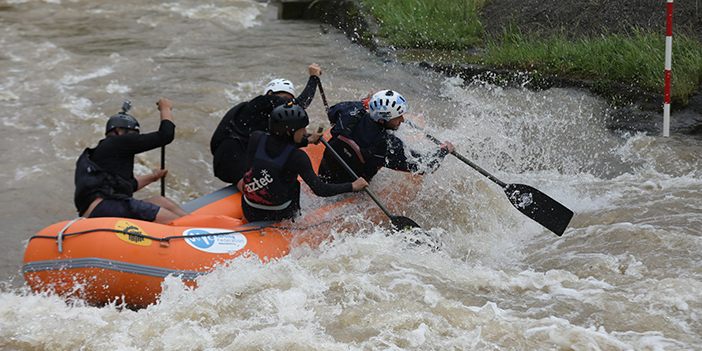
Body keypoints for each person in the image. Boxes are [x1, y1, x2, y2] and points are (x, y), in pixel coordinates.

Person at [238, 103, 368, 222]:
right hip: (278, 214)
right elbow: (320, 189)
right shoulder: (298, 157)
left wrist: (308, 140)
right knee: (294, 184)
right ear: (289, 132)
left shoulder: (256, 137)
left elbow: (276, 147)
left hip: (249, 209)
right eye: (302, 129)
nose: (306, 132)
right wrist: (353, 186)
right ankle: (295, 220)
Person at [74, 99, 189, 224]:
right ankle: (196, 231)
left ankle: (195, 221)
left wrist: (154, 176)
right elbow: (165, 135)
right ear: (118, 130)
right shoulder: (117, 142)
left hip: (96, 210)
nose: (134, 138)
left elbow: (130, 185)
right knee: (175, 223)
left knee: (160, 201)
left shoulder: (101, 154)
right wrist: (165, 109)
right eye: (133, 134)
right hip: (107, 207)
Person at [210, 63, 324, 185]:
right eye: (284, 98)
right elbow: (301, 103)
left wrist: (309, 139)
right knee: (254, 193)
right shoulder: (262, 101)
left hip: (243, 154)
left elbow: (276, 145)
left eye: (288, 99)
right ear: (270, 94)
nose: (285, 105)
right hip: (229, 156)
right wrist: (314, 77)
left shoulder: (271, 120)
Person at [318, 89, 456, 184]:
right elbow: (424, 166)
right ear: (382, 120)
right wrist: (443, 150)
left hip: (323, 172)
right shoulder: (388, 146)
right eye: (398, 117)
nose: (402, 120)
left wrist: (367, 102)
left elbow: (332, 112)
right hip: (351, 187)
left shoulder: (350, 111)